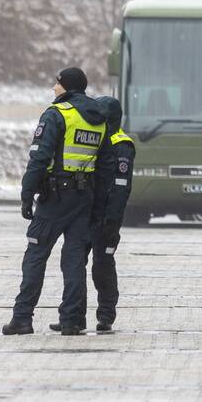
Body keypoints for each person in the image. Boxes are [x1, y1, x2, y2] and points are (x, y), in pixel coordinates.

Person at [3, 68, 110, 336]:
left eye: (57, 83)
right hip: (84, 197)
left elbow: (39, 158)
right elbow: (104, 167)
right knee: (74, 260)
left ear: (68, 87)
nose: (54, 88)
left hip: (55, 197)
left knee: (36, 255)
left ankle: (22, 318)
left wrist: (27, 194)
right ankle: (72, 320)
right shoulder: (98, 120)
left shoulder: (57, 115)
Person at [83, 96, 134, 332]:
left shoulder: (121, 144)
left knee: (102, 267)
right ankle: (72, 315)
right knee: (73, 264)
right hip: (85, 214)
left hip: (106, 218)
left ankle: (106, 315)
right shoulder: (97, 138)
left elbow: (121, 188)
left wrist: (112, 221)